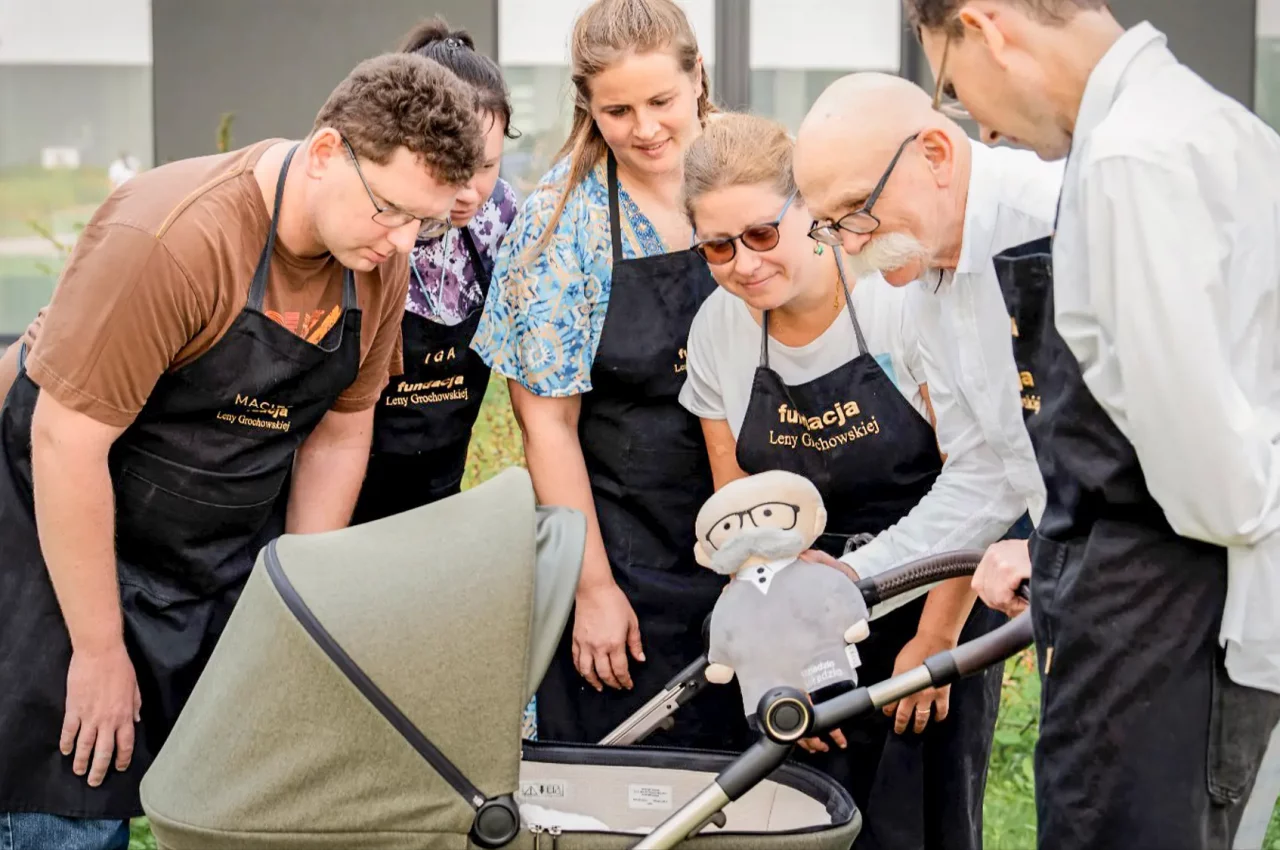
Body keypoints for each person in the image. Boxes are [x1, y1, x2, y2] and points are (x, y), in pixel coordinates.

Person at [0, 53, 485, 850]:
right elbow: (65, 443)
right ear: (326, 153)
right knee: (70, 808)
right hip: (62, 543)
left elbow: (340, 429)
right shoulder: (172, 240)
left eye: (425, 223)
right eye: (391, 210)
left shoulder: (379, 260)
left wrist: (298, 616)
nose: (404, 241)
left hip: (212, 553)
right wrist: (95, 650)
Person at [904, 1, 1280, 847]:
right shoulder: (1211, 126)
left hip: (1164, 631)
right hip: (1165, 621)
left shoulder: (1131, 160)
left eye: (954, 85)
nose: (984, 130)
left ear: (986, 28)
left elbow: (1213, 481)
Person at [679, 110, 1015, 850]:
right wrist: (780, 657)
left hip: (932, 594)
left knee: (923, 822)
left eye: (762, 233)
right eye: (717, 246)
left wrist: (937, 640)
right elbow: (737, 515)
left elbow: (978, 484)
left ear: (809, 211)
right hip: (798, 622)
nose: (744, 262)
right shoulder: (717, 330)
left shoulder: (896, 300)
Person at [470, 0, 750, 751]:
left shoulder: (755, 177)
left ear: (698, 78)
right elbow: (547, 426)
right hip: (624, 548)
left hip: (759, 534)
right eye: (618, 110)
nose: (645, 127)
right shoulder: (562, 224)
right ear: (587, 107)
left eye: (661, 100)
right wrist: (590, 590)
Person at [348, 17, 520, 523]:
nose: (469, 191)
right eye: (454, 166)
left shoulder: (501, 218)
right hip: (344, 485)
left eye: (486, 166)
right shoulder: (368, 222)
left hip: (444, 485)